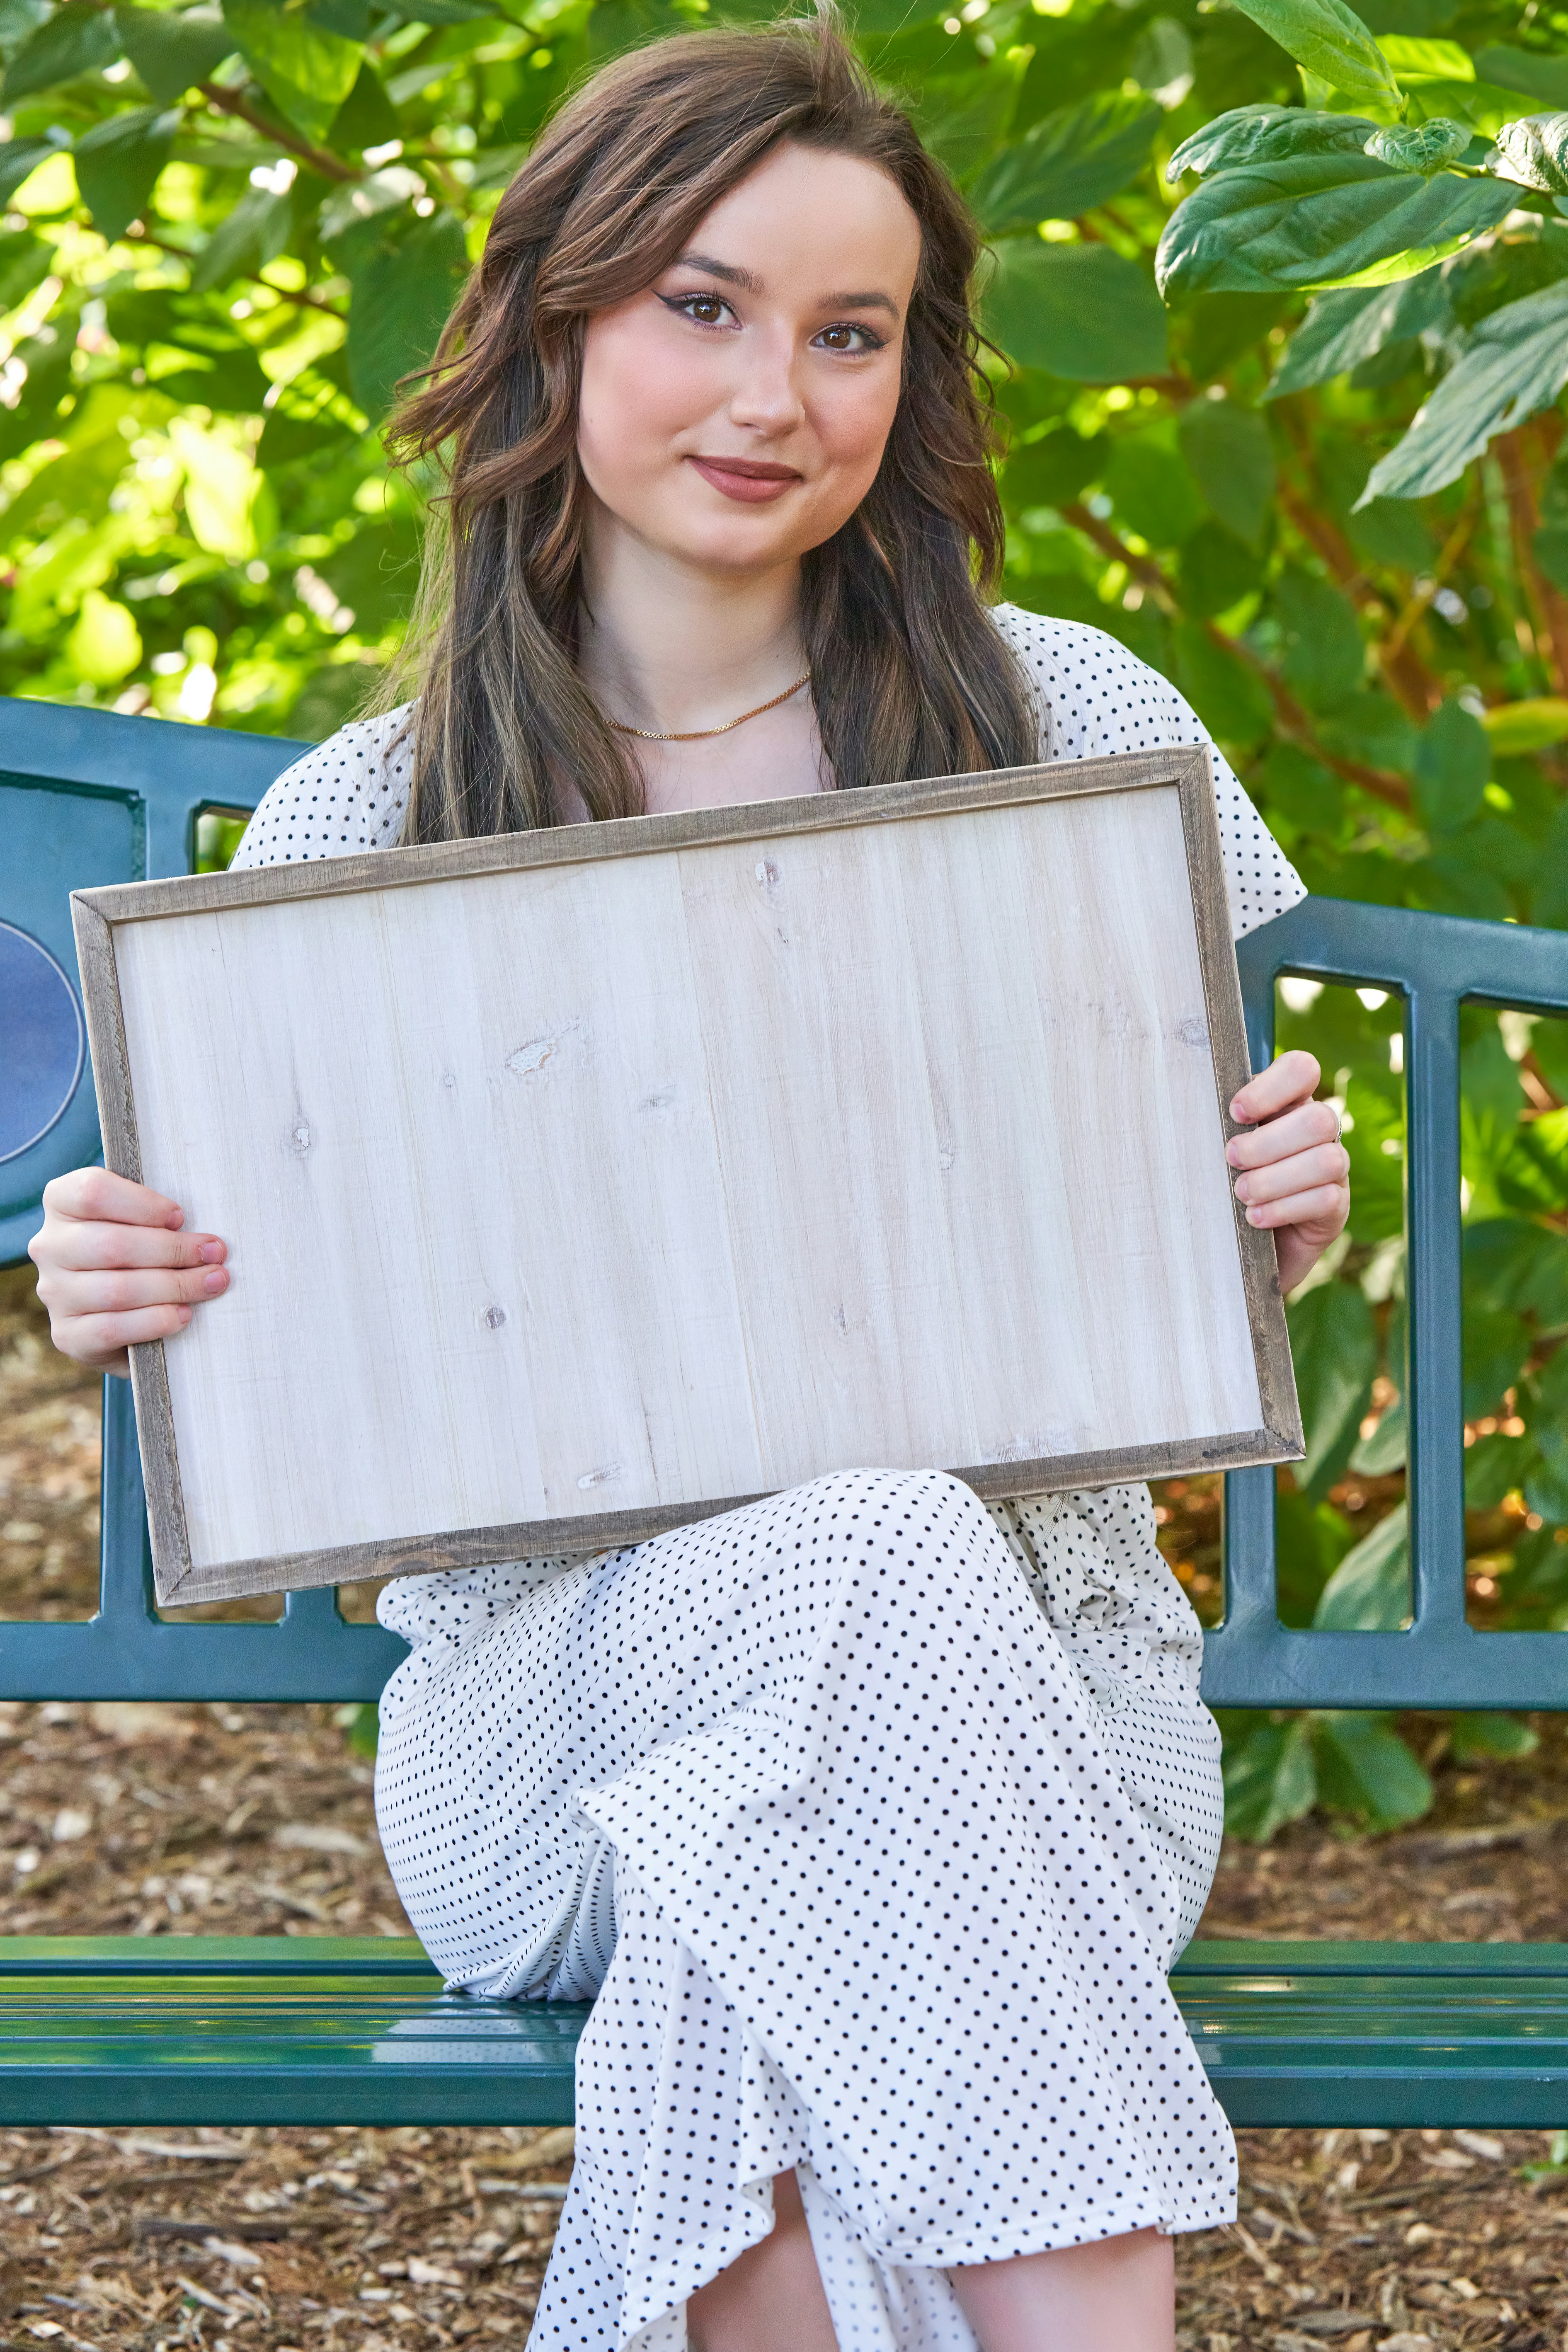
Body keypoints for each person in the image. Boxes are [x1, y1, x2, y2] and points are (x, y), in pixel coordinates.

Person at [29, 19, 1350, 2350]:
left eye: (848, 333)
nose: (775, 393)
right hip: (550, 1740)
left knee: (795, 1814)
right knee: (861, 1556)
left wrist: (1266, 1196)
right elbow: (295, 1359)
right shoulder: (376, 814)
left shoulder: (1066, 725)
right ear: (559, 318)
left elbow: (1174, 1212)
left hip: (1046, 1727)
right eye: (703, 306)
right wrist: (141, 1286)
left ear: (911, 381)